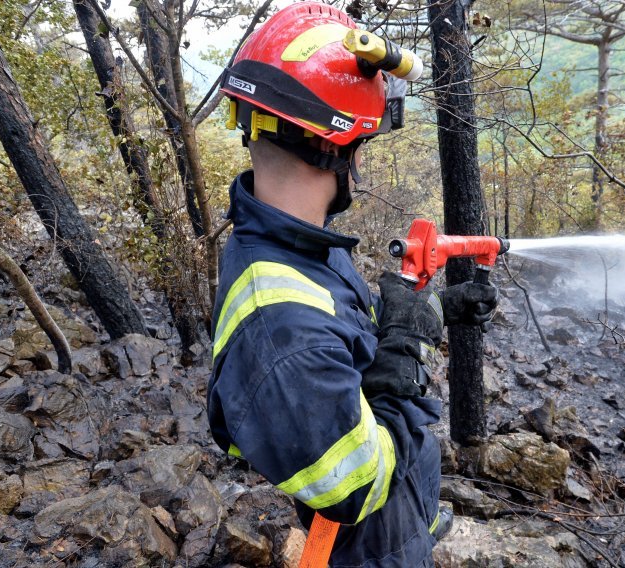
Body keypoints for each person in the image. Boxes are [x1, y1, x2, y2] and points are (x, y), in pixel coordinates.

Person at [207, 3, 498, 566]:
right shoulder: (282, 331)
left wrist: (433, 312)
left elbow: (349, 342)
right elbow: (357, 488)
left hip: (403, 524)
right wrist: (408, 350)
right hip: (369, 549)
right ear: (338, 147)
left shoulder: (296, 247)